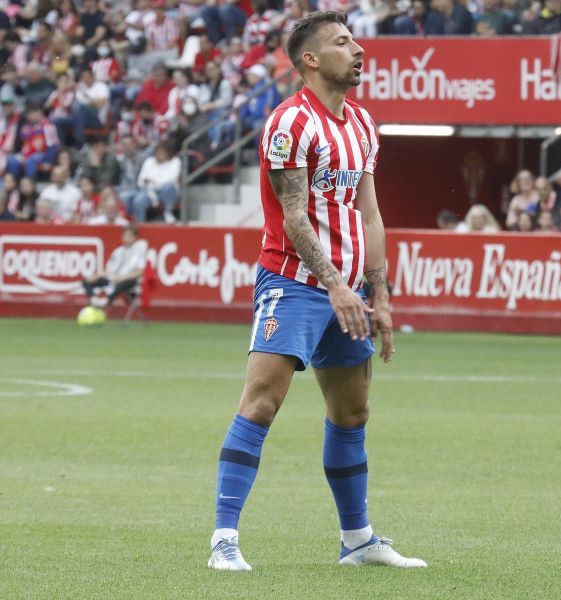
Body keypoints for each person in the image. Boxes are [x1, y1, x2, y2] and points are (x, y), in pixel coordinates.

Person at [207, 11, 426, 572]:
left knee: (353, 414)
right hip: (295, 283)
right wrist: (334, 286)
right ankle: (224, 540)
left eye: (354, 39)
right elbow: (294, 219)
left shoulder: (362, 124)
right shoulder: (289, 124)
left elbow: (370, 213)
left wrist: (378, 293)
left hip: (350, 292)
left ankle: (357, 540)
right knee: (262, 401)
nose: (358, 50)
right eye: (342, 42)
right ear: (310, 59)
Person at [82, 224, 147, 308]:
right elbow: (108, 270)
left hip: (129, 282)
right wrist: (96, 276)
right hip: (113, 279)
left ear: (135, 237)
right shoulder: (117, 251)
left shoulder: (139, 250)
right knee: (86, 281)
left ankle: (107, 300)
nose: (127, 238)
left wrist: (123, 277)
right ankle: (94, 300)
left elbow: (139, 272)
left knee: (126, 282)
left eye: (129, 236)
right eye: (125, 236)